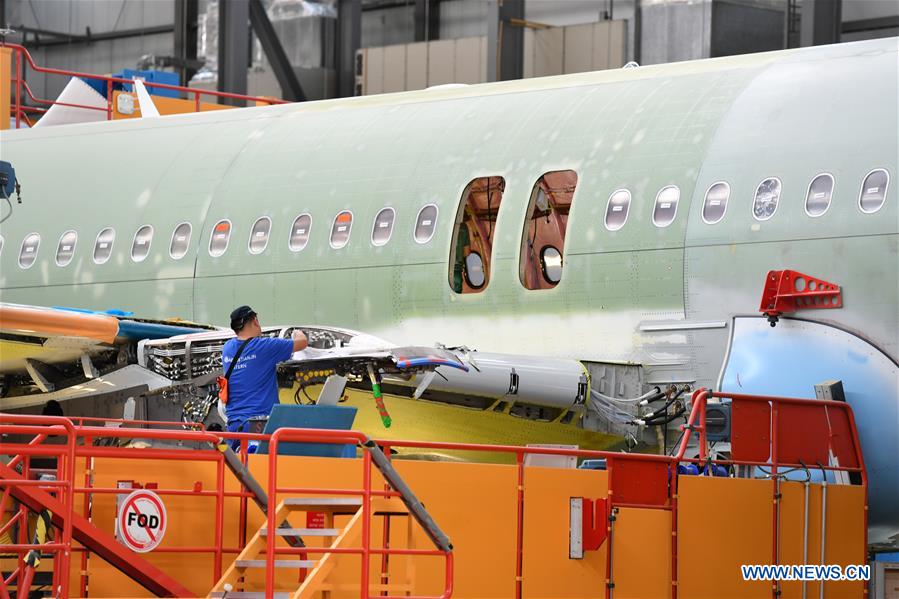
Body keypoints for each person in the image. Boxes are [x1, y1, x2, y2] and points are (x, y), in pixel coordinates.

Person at [221, 306, 307, 436]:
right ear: (255, 320)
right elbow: (302, 343)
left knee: (239, 457)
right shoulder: (265, 346)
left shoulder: (227, 348)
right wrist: (298, 333)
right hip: (258, 425)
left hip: (234, 424)